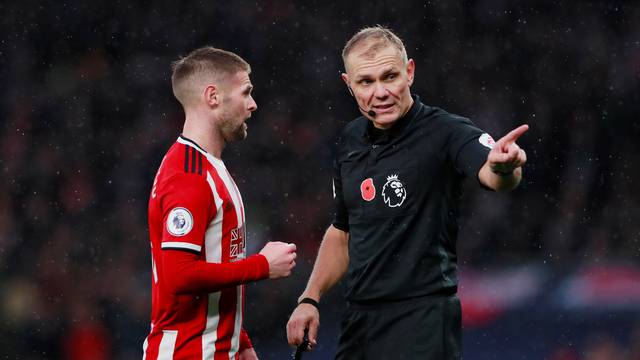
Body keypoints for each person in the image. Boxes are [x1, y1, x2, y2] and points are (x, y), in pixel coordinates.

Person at [286, 26, 528, 359]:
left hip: (423, 319)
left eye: (390, 77)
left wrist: (505, 166)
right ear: (348, 84)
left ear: (410, 72)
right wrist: (309, 298)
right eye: (366, 82)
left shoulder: (446, 131)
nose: (380, 92)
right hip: (360, 322)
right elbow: (342, 232)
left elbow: (493, 172)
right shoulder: (349, 141)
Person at [143, 46, 297, 360]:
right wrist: (262, 266)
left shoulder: (210, 168)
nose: (253, 104)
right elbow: (179, 276)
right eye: (246, 92)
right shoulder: (188, 176)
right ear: (213, 97)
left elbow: (218, 264)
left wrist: (239, 341)